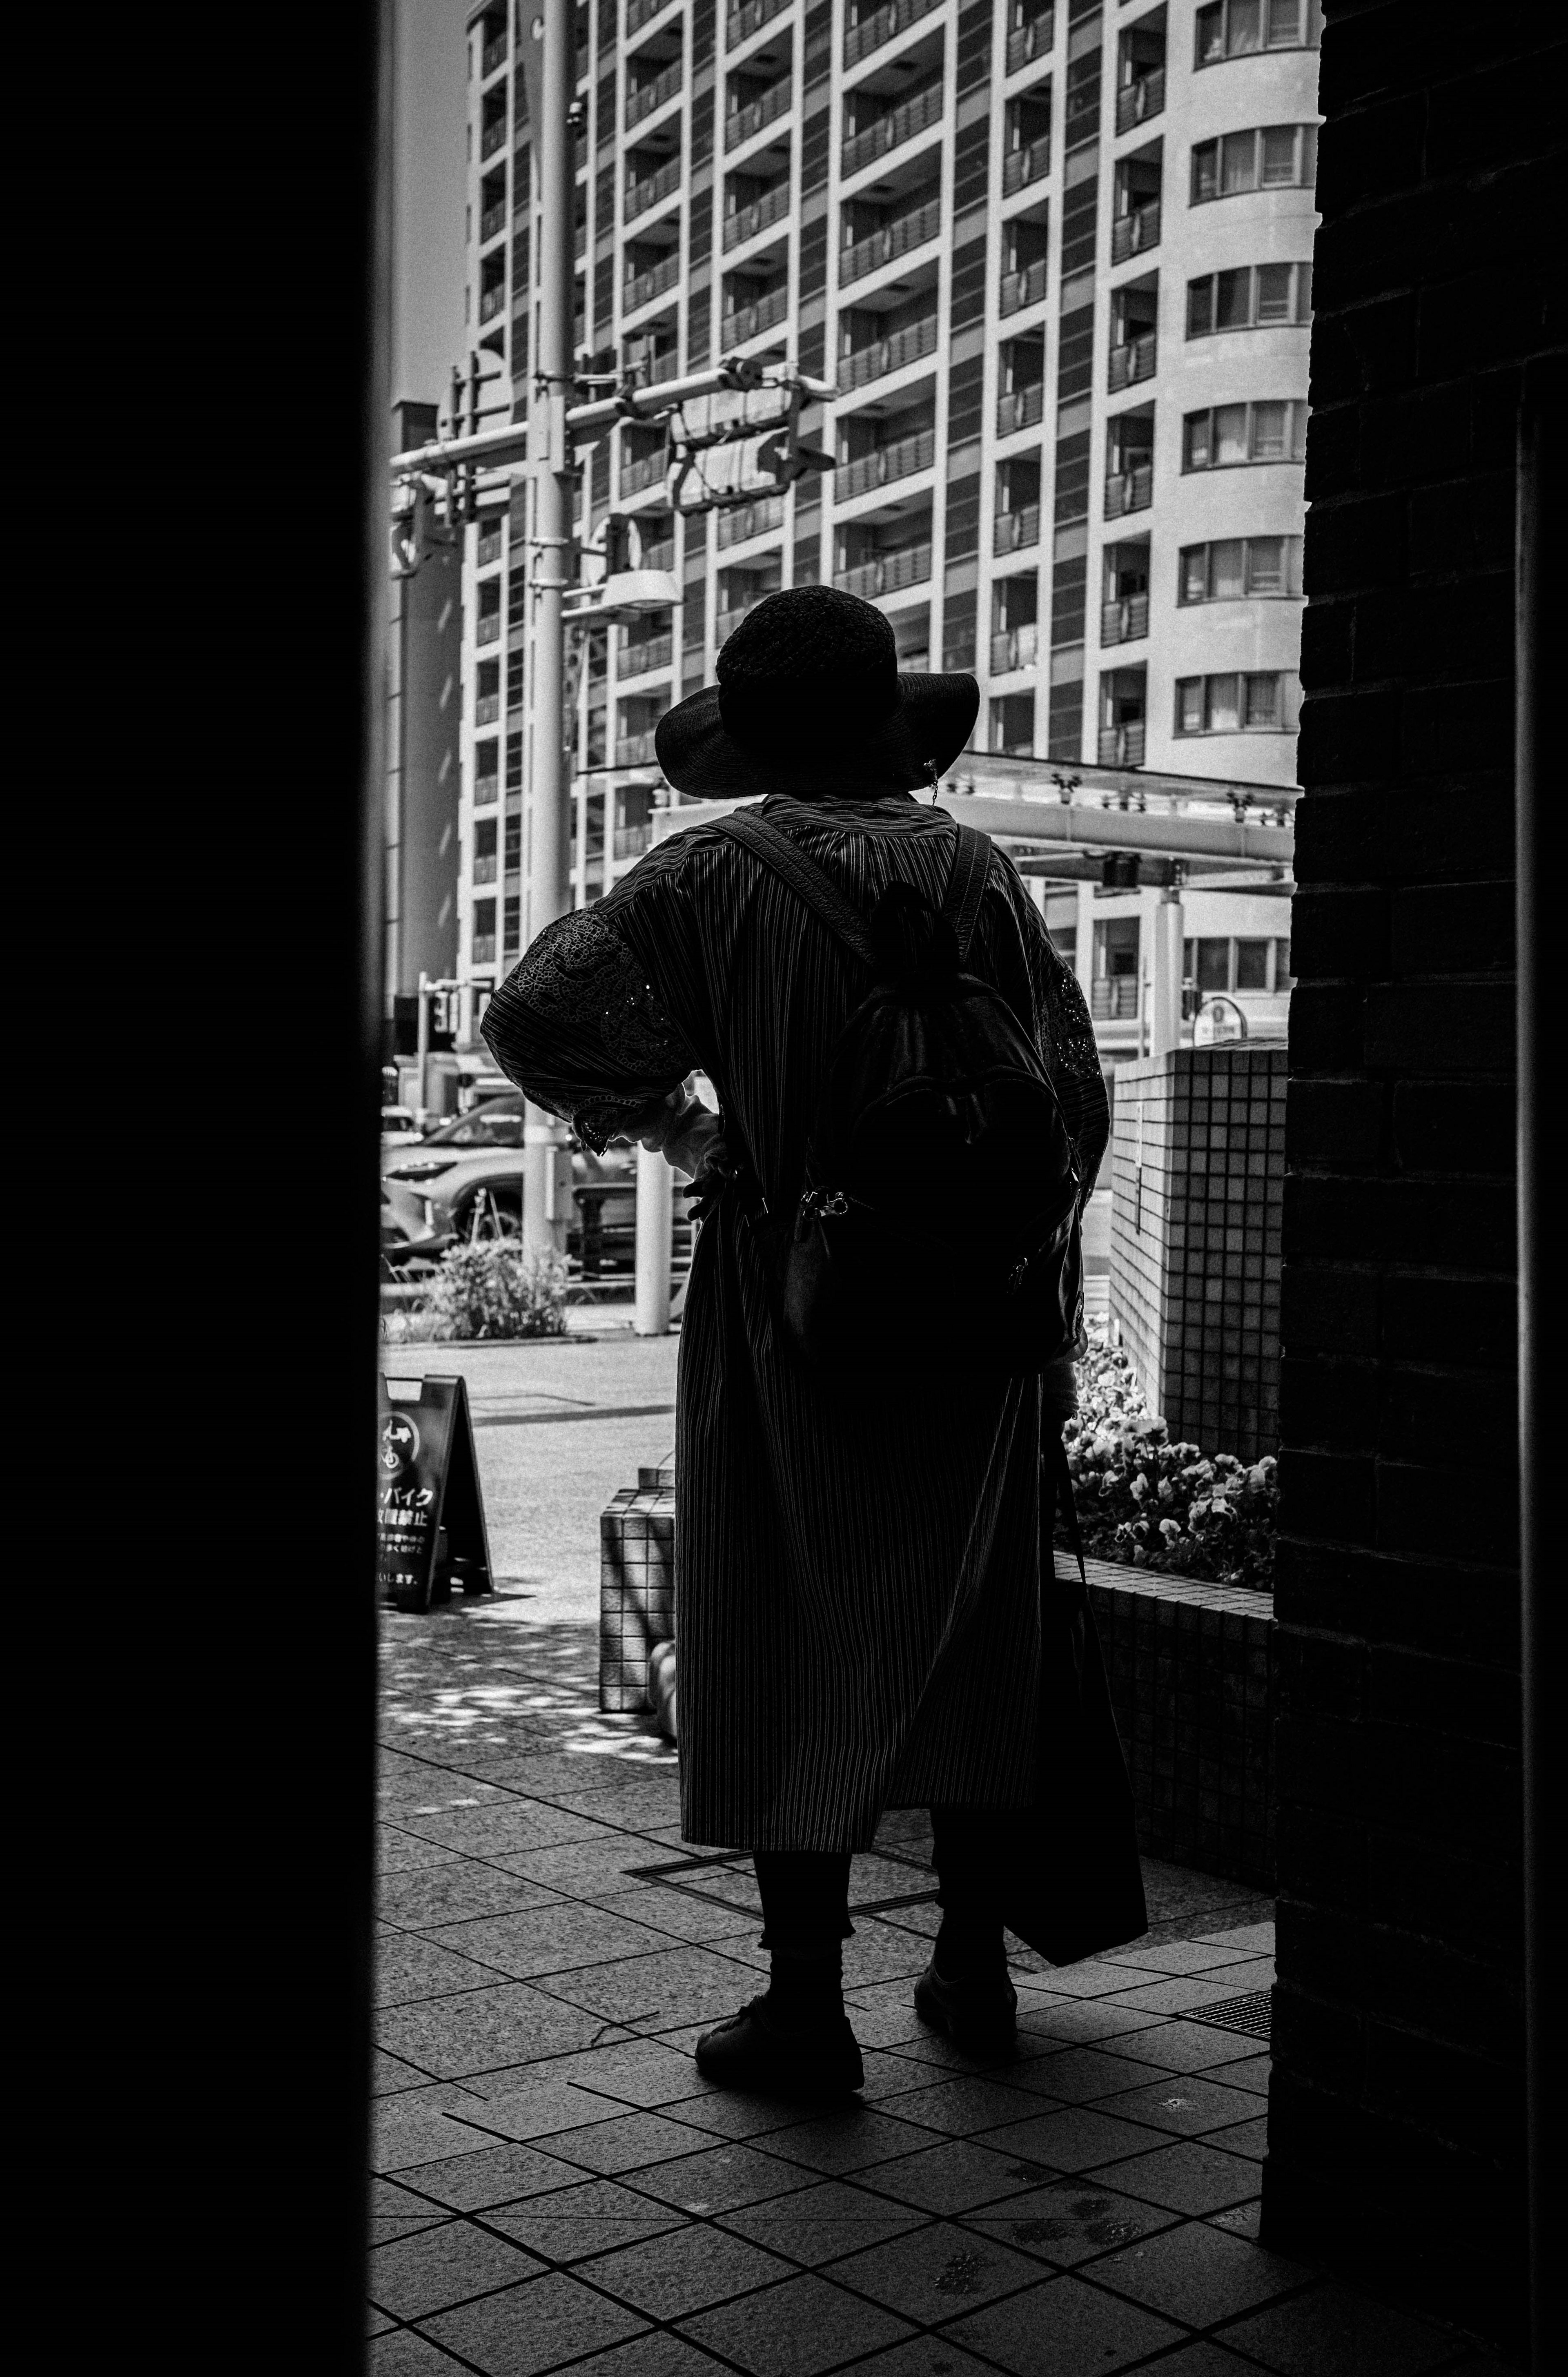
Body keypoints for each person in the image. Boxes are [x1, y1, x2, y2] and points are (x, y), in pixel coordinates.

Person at [483, 586, 1144, 2096]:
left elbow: (531, 1020)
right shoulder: (976, 867)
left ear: (757, 736)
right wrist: (1008, 1256)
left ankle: (806, 2008)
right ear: (882, 716)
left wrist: (686, 1126)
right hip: (972, 1320)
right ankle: (972, 1972)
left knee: (782, 1624)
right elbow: (1075, 1094)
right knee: (979, 1627)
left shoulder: (703, 875)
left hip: (793, 1305)